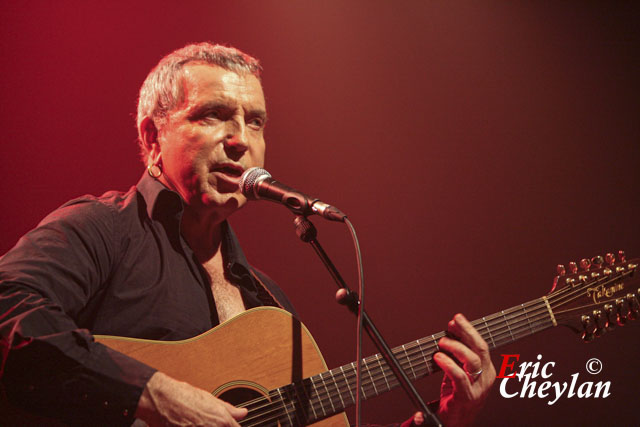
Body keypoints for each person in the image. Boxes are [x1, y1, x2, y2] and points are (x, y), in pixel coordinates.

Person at [0, 43, 495, 426]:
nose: (240, 140)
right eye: (214, 114)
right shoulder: (102, 230)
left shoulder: (267, 306)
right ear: (152, 138)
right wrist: (152, 393)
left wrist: (444, 420)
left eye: (254, 121)